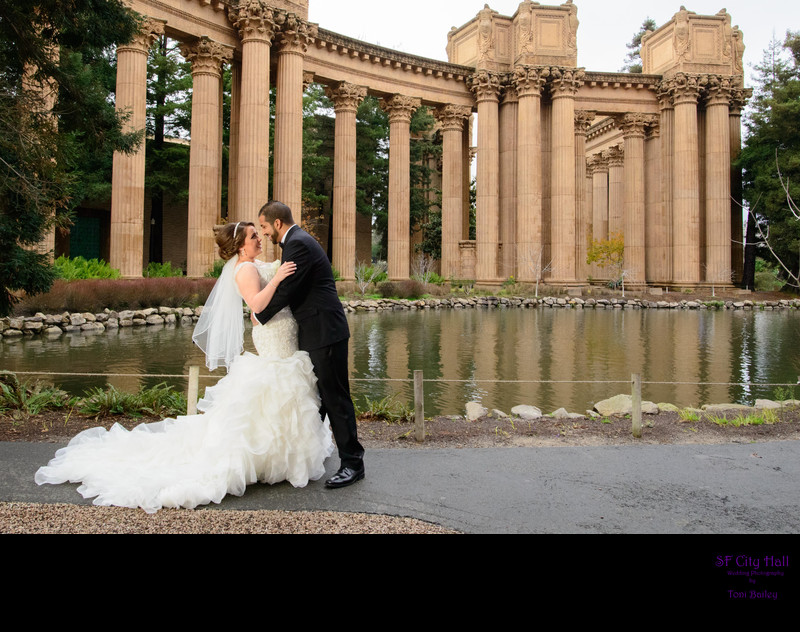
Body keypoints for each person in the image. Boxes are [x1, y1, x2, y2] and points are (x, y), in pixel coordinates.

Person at [34, 222, 335, 513]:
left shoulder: (253, 265)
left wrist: (283, 271)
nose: (259, 239)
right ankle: (263, 460)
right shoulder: (244, 269)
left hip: (282, 333)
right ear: (241, 246)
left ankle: (276, 458)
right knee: (273, 393)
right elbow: (257, 306)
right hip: (272, 338)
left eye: (259, 234)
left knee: (280, 395)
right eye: (253, 236)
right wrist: (280, 278)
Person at [256, 201, 365, 489]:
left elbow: (288, 289)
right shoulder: (296, 242)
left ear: (277, 223)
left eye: (265, 227)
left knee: (335, 397)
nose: (264, 233)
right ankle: (308, 456)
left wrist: (259, 314)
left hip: (325, 331)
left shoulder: (299, 244)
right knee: (316, 398)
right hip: (315, 331)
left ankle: (353, 463)